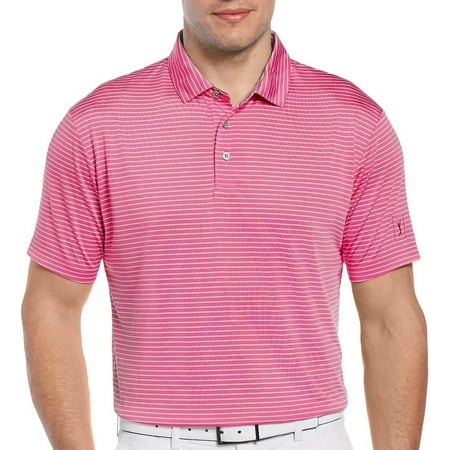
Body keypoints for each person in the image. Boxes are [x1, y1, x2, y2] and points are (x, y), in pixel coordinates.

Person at [21, 1, 428, 449]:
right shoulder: (95, 125)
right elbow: (51, 306)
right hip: (156, 438)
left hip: (312, 435)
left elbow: (390, 317)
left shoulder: (355, 122)